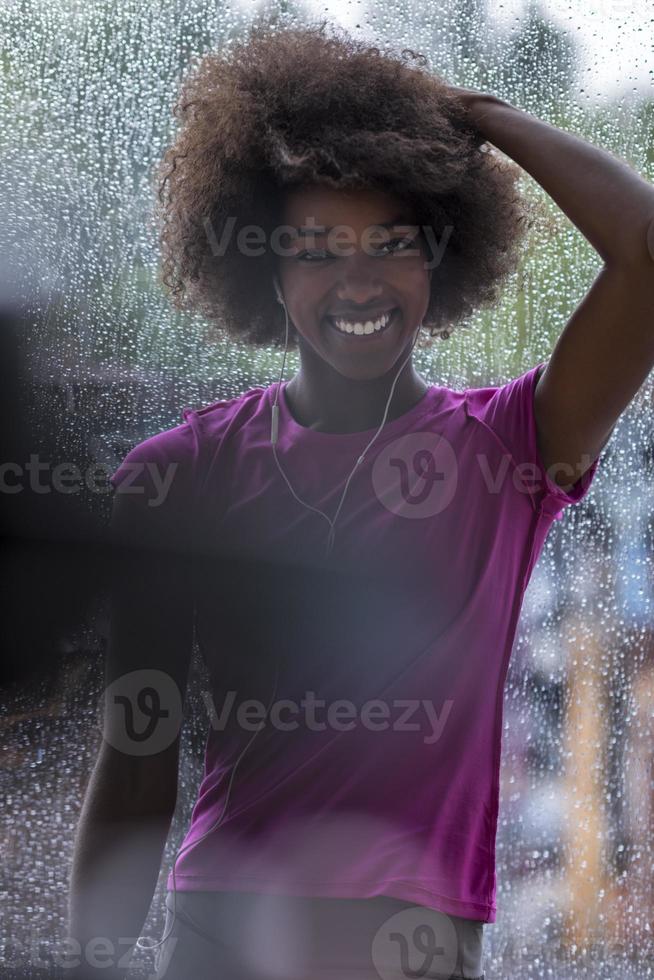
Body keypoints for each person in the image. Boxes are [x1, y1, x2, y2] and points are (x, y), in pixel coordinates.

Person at [69, 15, 654, 980]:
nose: (358, 279)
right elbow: (136, 766)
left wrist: (467, 112)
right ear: (267, 267)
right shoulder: (177, 476)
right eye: (315, 247)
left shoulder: (510, 449)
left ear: (441, 254)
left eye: (391, 241)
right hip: (218, 938)